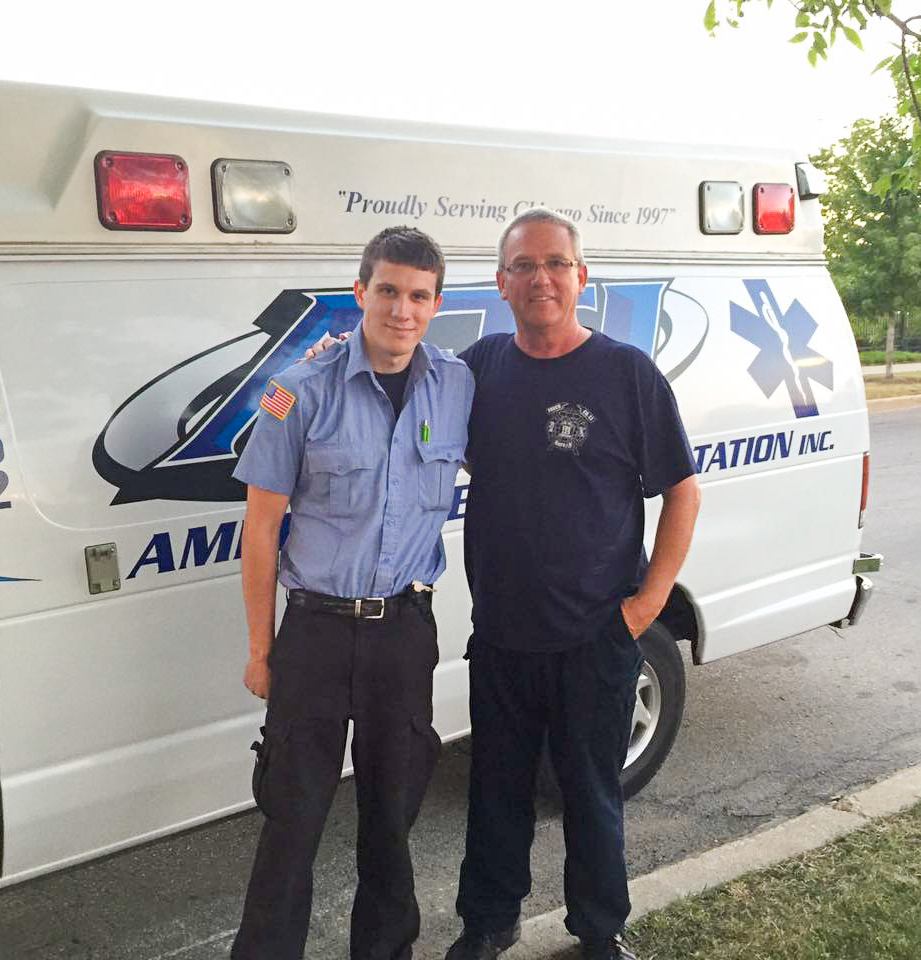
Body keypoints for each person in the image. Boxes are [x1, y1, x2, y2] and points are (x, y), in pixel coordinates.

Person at [444, 208, 701, 960]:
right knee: (496, 796)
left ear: (581, 278)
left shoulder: (624, 373)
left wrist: (647, 605)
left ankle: (598, 931)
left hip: (595, 637)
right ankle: (487, 926)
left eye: (556, 263)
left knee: (592, 795)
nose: (541, 278)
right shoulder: (481, 368)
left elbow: (681, 489)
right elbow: (417, 419)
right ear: (501, 283)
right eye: (524, 266)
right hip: (500, 634)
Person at [229, 225, 474, 960]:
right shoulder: (295, 391)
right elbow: (262, 530)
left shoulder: (457, 384)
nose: (403, 309)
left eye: (419, 296)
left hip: (403, 630)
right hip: (315, 634)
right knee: (292, 821)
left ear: (436, 304)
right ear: (361, 291)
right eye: (390, 291)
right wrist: (259, 649)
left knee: (391, 821)